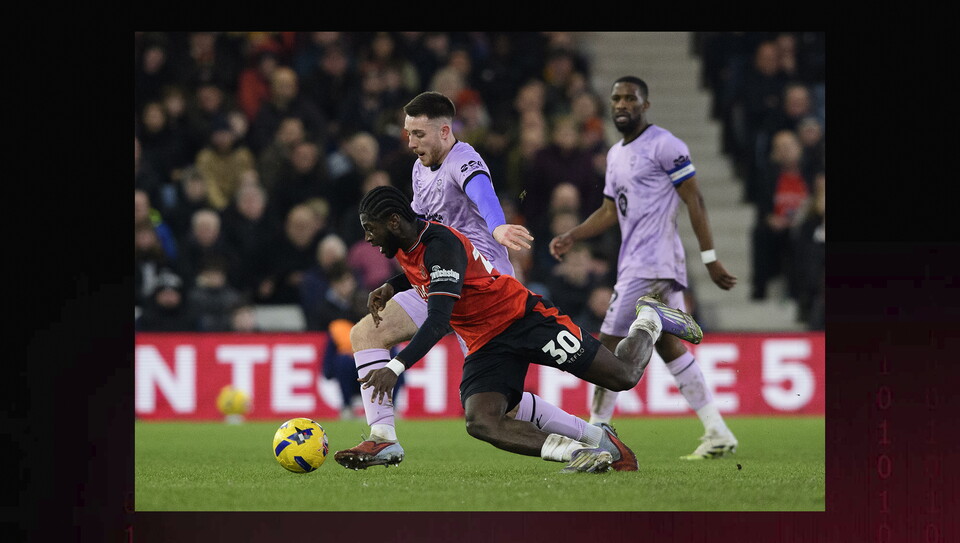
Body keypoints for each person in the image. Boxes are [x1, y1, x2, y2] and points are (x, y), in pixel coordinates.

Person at [334, 91, 632, 472]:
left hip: (481, 284)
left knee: (500, 404)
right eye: (408, 134)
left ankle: (592, 438)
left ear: (444, 131)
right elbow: (422, 237)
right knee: (366, 335)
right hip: (441, 280)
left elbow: (482, 191)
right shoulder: (419, 168)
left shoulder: (464, 159)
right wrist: (396, 284)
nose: (411, 143)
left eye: (418, 134)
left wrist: (497, 226)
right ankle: (383, 439)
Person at [352, 186, 704, 473]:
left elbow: (439, 320)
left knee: (624, 375)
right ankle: (582, 451)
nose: (368, 238)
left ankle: (650, 320)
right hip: (486, 343)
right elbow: (429, 273)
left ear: (394, 221)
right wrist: (394, 287)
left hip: (523, 320)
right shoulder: (409, 246)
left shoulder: (440, 244)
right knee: (481, 421)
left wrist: (395, 367)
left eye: (371, 228)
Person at [549, 76, 740, 460]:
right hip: (638, 261)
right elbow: (609, 211)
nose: (622, 104)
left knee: (606, 346)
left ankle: (597, 431)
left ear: (645, 105)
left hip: (651, 263)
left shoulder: (666, 146)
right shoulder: (617, 153)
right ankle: (717, 429)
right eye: (617, 98)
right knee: (669, 346)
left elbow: (695, 200)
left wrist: (710, 258)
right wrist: (574, 235)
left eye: (630, 98)